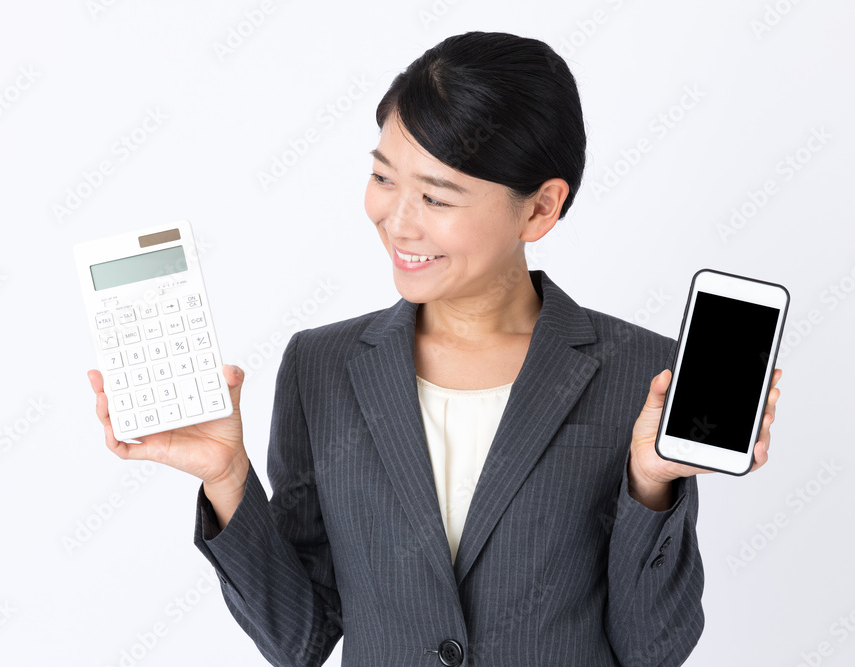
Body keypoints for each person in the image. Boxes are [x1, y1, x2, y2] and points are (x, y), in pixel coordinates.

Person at [87, 31, 781, 666]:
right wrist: (229, 479)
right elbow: (298, 638)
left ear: (539, 207)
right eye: (385, 177)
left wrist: (650, 483)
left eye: (438, 197)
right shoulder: (320, 367)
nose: (397, 220)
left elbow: (652, 647)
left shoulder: (643, 375)